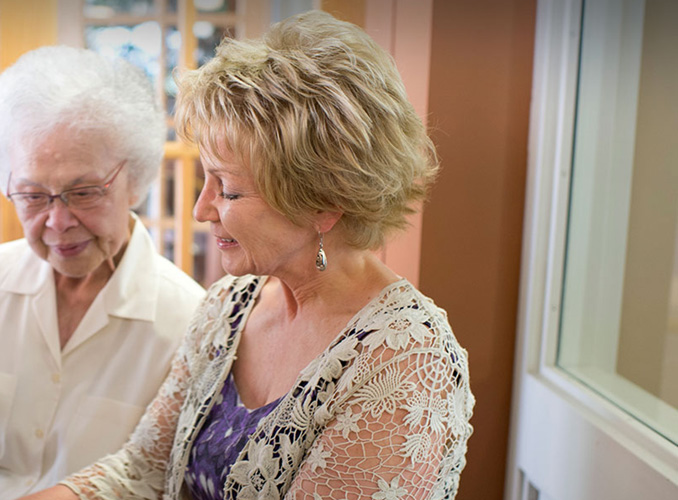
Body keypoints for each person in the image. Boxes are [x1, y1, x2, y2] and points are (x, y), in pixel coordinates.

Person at [27, 10, 474, 500]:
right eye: (206, 181)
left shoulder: (405, 363)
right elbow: (141, 471)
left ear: (323, 203)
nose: (202, 210)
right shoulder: (230, 304)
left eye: (230, 191)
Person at [0, 46, 206, 499]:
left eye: (83, 193)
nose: (58, 222)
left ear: (135, 180)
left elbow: (163, 483)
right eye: (33, 196)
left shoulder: (186, 320)